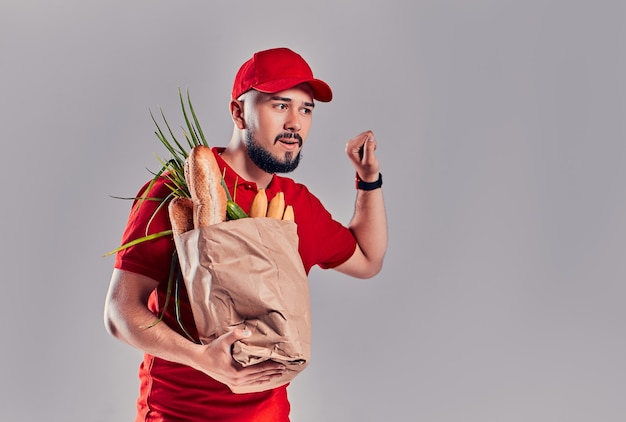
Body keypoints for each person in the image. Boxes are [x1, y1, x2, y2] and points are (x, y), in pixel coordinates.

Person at [104, 47, 388, 422]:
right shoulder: (178, 190)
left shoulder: (296, 204)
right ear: (238, 112)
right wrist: (202, 360)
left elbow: (368, 259)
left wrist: (368, 181)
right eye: (279, 105)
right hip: (177, 414)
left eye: (306, 109)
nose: (295, 123)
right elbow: (120, 311)